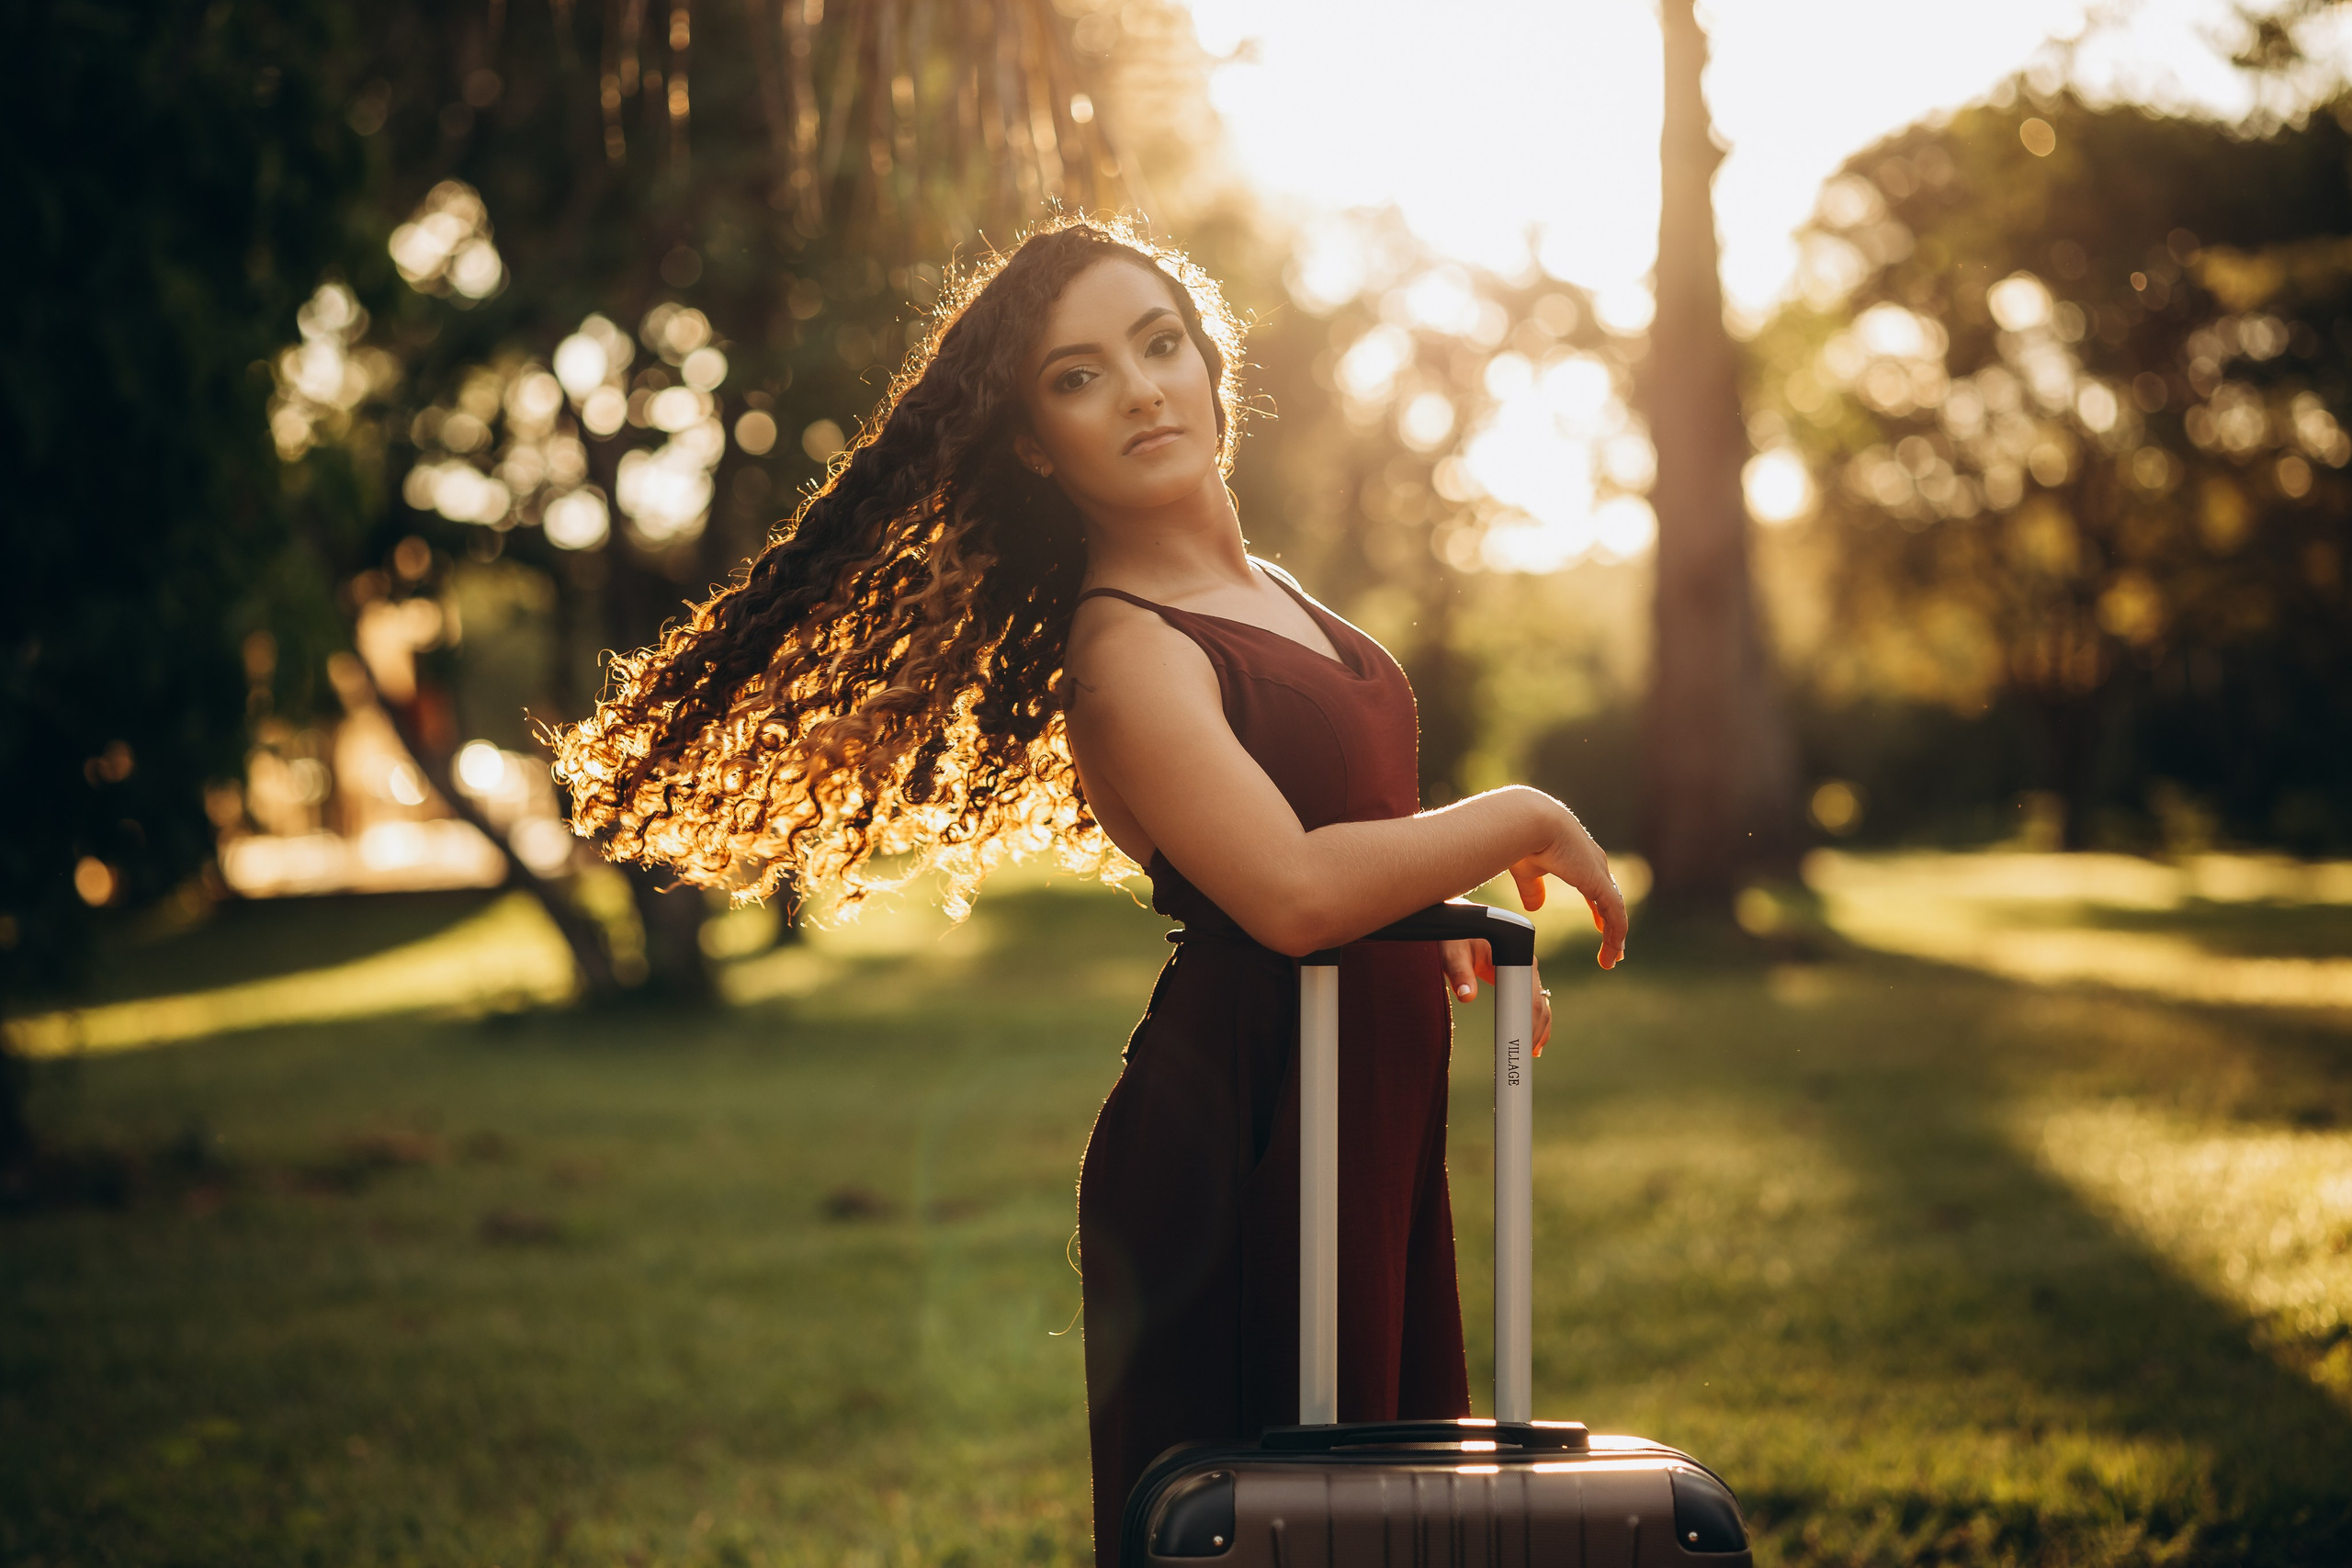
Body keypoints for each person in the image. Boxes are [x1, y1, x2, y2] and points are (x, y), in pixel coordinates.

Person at [552, 216, 1628, 1565]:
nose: (1139, 389)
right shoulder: (1127, 651)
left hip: (1362, 1103)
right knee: (1290, 1532)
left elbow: (1337, 819)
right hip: (1248, 1121)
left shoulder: (1271, 590)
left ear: (1211, 360)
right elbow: (1291, 894)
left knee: (1393, 1527)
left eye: (1160, 343)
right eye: (1077, 376)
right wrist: (1515, 817)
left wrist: (1425, 918)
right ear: (1028, 442)